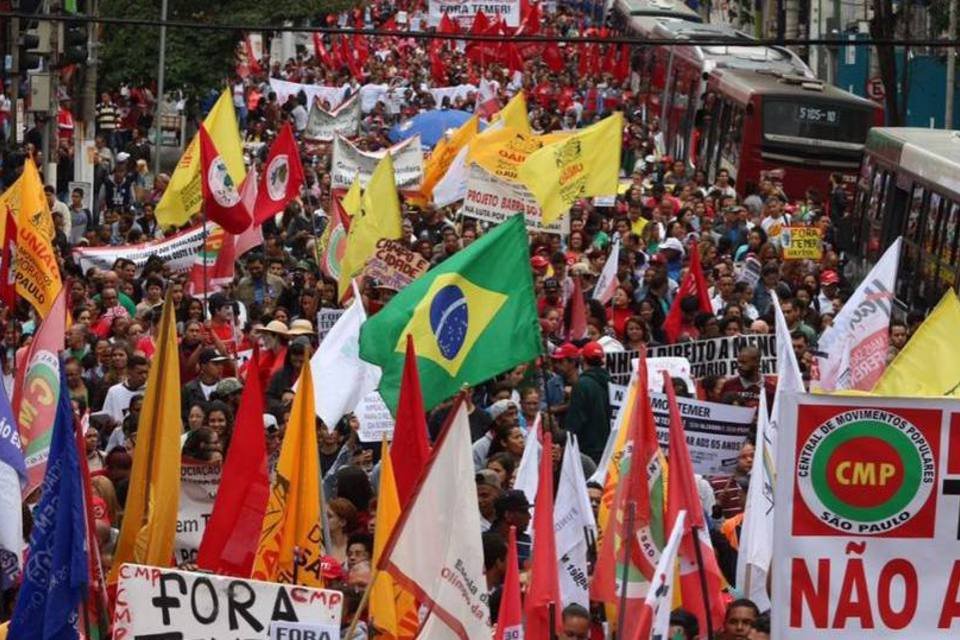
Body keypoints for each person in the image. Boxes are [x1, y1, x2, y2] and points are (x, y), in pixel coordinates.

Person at [563, 341, 611, 463]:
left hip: (587, 449)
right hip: (609, 447)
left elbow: (576, 420)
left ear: (583, 359)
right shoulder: (612, 382)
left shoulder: (582, 384)